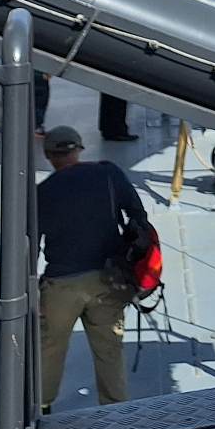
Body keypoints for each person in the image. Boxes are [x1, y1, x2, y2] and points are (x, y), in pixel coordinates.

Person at [35, 125, 145, 405]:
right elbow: (137, 216)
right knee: (109, 348)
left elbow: (30, 244)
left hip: (61, 285)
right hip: (108, 279)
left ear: (48, 155)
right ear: (79, 149)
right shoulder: (108, 173)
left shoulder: (41, 192)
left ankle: (42, 406)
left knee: (50, 348)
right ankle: (115, 409)